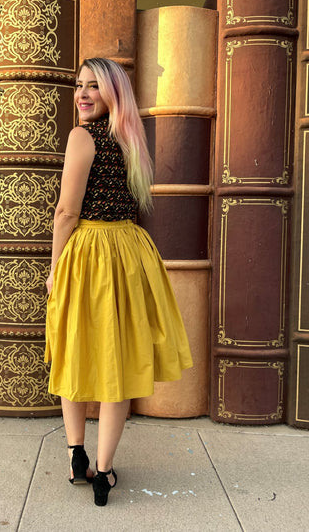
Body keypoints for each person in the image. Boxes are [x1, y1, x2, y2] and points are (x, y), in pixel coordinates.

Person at [45, 57, 193, 506]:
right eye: (79, 85)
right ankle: (102, 473)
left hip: (89, 255)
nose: (83, 94)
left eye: (93, 86)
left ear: (113, 92)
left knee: (74, 351)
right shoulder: (132, 140)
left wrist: (54, 269)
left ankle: (77, 455)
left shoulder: (81, 137)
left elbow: (67, 213)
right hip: (129, 255)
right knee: (119, 364)